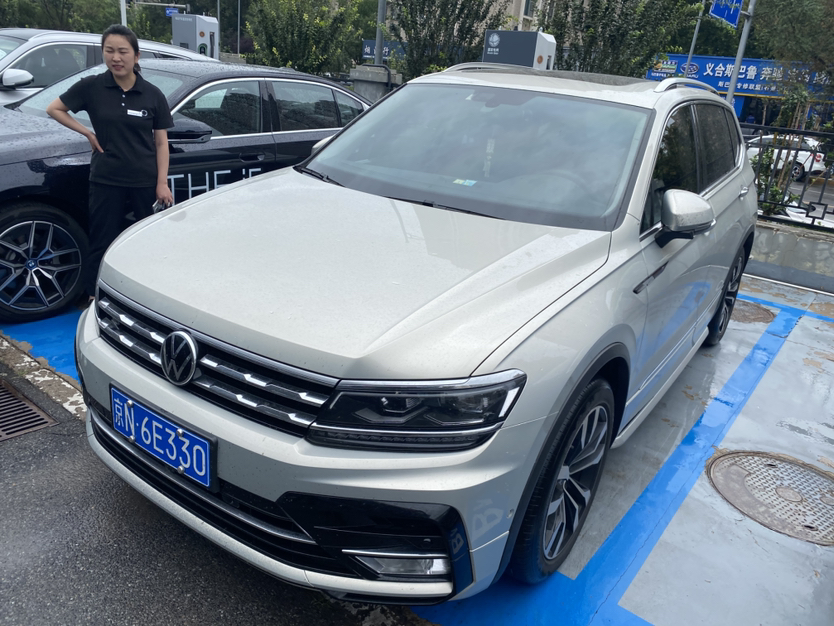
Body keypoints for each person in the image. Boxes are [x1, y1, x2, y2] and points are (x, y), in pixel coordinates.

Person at [46, 24, 173, 300]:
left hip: (144, 180)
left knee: (146, 240)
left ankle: (144, 296)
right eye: (109, 51)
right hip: (106, 178)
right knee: (102, 239)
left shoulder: (153, 94)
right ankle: (95, 296)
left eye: (123, 52)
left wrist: (161, 183)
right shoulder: (92, 87)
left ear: (136, 56)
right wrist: (87, 133)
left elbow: (161, 143)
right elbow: (54, 108)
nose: (116, 57)